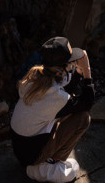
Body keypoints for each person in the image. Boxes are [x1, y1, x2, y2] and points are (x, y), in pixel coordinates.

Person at [10, 36, 94, 182]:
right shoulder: (55, 97)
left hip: (21, 149)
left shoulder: (35, 78)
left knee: (68, 112)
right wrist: (86, 72)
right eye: (70, 63)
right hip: (32, 156)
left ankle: (44, 163)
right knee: (83, 119)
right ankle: (53, 161)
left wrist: (77, 75)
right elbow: (86, 103)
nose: (73, 66)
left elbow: (65, 96)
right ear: (61, 69)